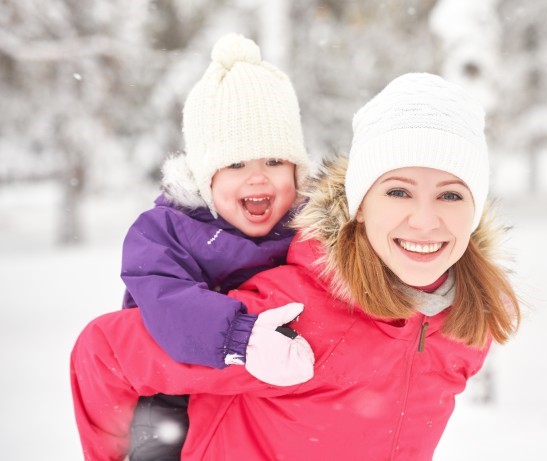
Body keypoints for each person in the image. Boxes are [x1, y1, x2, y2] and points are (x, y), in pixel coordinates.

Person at [71, 72, 521, 460]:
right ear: (359, 206)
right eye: (398, 192)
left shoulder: (466, 323)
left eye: (451, 194)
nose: (425, 220)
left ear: (476, 210)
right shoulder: (291, 315)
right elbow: (104, 353)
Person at [74, 33, 316, 460]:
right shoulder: (166, 230)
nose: (258, 177)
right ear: (206, 175)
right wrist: (238, 335)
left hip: (267, 401)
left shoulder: (308, 229)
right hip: (175, 398)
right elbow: (169, 302)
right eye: (237, 164)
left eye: (275, 161)